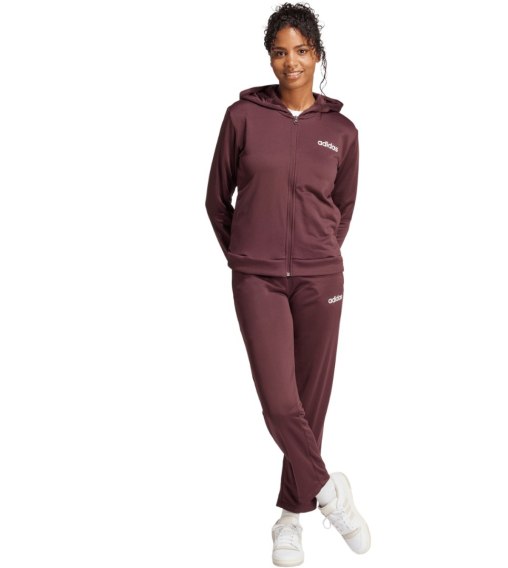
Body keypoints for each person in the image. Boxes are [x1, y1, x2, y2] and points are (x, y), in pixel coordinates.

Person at [205, 3, 370, 565]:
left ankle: (290, 518)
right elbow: (216, 199)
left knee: (309, 404)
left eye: (301, 50)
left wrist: (319, 253)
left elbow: (343, 207)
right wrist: (247, 257)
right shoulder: (242, 117)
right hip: (258, 279)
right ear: (270, 57)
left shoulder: (342, 131)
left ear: (317, 55)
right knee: (280, 404)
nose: (290, 62)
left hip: (322, 279)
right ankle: (330, 493)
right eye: (280, 52)